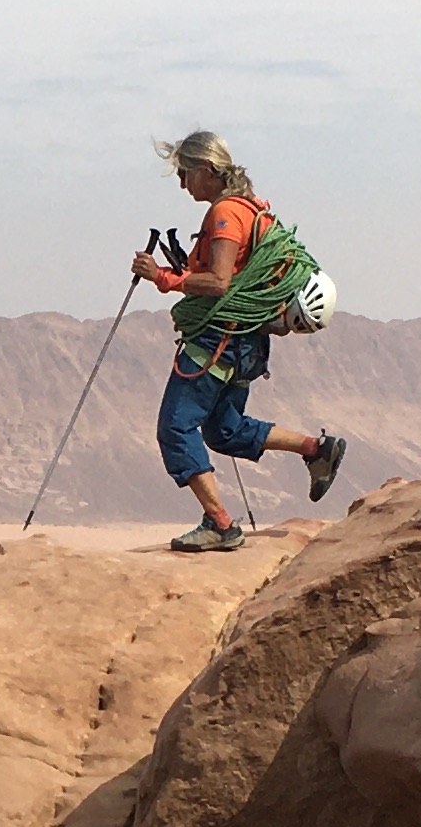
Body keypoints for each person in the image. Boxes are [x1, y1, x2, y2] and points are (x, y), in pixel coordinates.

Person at [133, 130, 345, 550]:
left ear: (207, 170)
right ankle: (315, 448)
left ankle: (220, 524)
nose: (182, 184)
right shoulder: (252, 207)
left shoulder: (226, 213)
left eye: (185, 174)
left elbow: (218, 281)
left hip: (219, 341)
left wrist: (161, 276)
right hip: (246, 342)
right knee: (225, 429)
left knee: (175, 427)